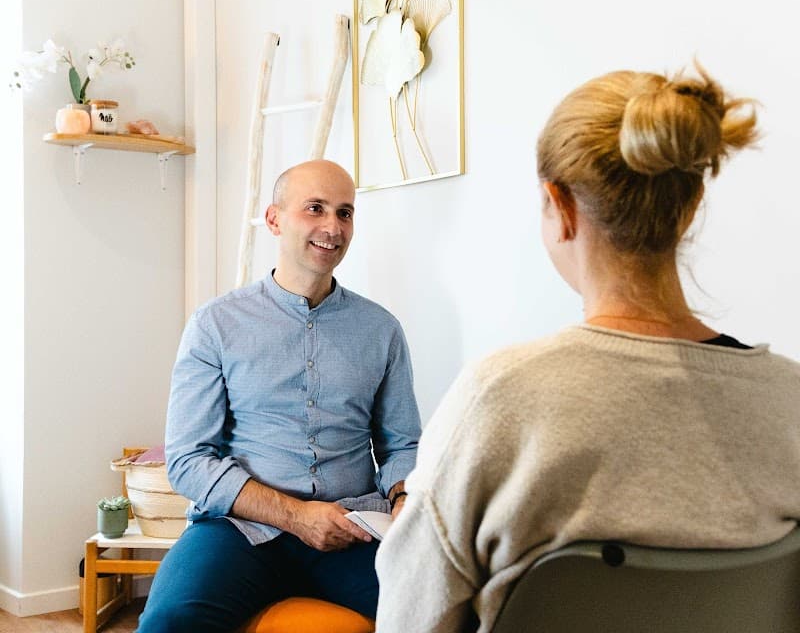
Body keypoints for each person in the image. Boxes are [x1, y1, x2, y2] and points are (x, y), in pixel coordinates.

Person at [374, 64, 800, 632]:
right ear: (692, 203)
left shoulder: (499, 399)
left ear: (561, 208)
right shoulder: (789, 401)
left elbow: (409, 619)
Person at [137, 160, 421, 632]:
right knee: (169, 621)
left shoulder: (381, 330)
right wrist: (296, 516)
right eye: (315, 209)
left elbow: (402, 445)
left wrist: (404, 495)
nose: (333, 227)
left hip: (352, 529)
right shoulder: (215, 324)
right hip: (237, 529)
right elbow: (188, 460)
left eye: (345, 212)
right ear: (274, 219)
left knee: (440, 609)